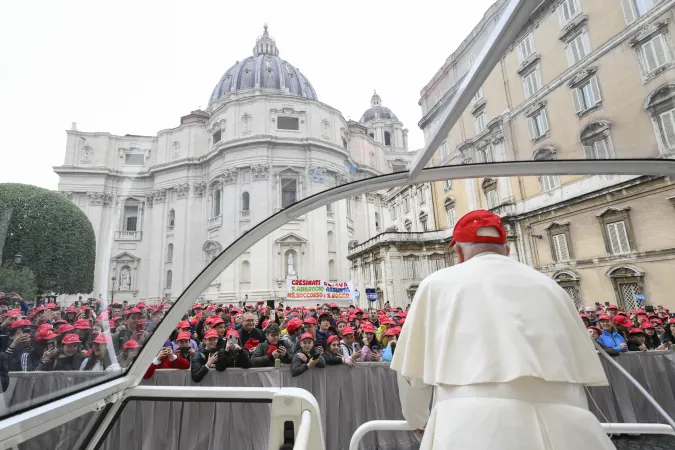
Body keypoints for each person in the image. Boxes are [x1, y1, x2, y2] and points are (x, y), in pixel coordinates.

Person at [390, 210, 613, 450]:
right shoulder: (551, 287)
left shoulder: (435, 285)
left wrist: (418, 419)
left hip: (470, 426)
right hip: (569, 427)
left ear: (458, 252)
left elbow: (412, 375)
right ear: (506, 250)